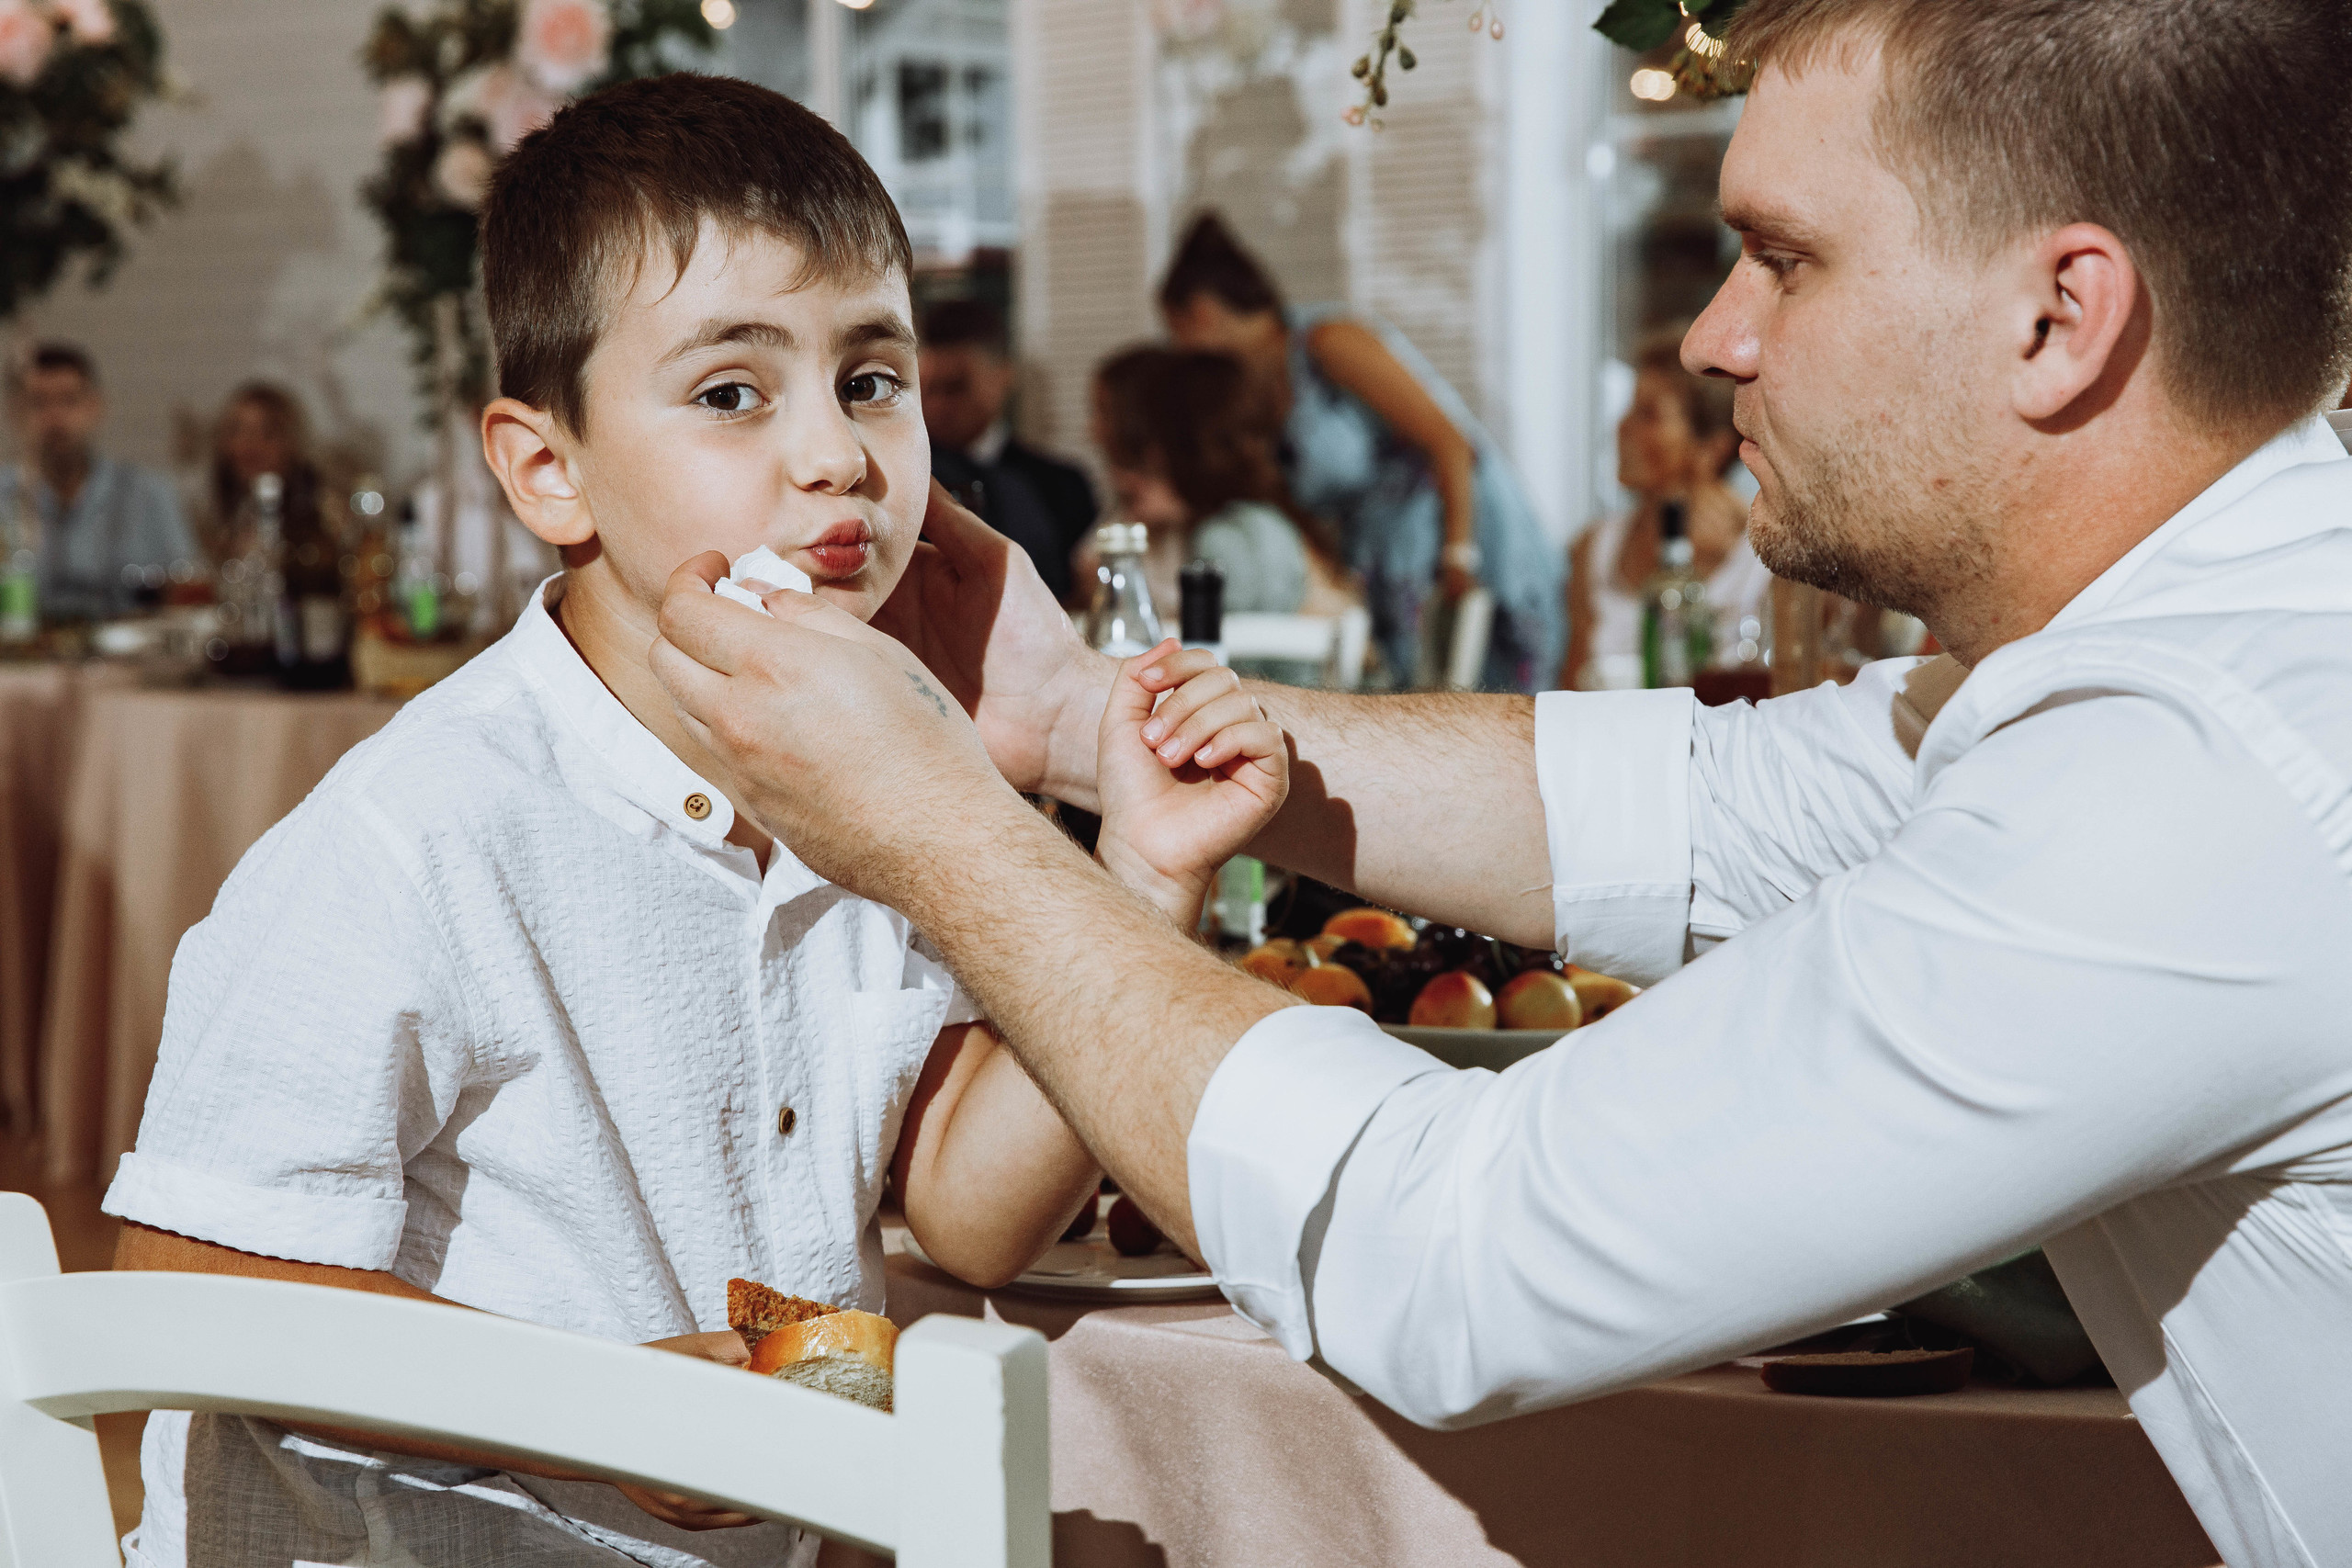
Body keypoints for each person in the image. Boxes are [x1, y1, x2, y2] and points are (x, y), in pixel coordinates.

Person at [644, 2, 2352, 1563]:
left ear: (2061, 319)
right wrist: (1079, 714)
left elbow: (1456, 1259)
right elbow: (1697, 802)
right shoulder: (2189, 645)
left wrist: (942, 828)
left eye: (1782, 260)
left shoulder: (2204, 775)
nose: (1711, 335)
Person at [95, 74, 1222, 1568]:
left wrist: (1146, 869)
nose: (835, 454)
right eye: (732, 392)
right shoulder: (422, 829)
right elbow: (183, 1285)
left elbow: (963, 1208)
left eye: (872, 379)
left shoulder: (886, 775)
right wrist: (613, 1406)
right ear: (548, 469)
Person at [1158, 212, 1561, 691]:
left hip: (1456, 536)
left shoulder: (1328, 341)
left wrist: (1459, 558)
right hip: (1384, 561)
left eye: (1175, 332)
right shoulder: (1257, 394)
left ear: (1201, 313)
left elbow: (1450, 443)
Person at [1085, 344, 1358, 682]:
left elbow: (1230, 659)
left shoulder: (1235, 537)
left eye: (1147, 454)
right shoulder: (1240, 524)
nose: (1128, 474)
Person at [1565, 324, 1772, 690]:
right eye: (1630, 409)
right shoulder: (1594, 549)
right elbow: (1566, 691)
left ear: (1711, 446)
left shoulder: (1764, 555)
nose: (1623, 427)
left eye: (1648, 415)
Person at [919, 297, 1097, 602]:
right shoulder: (906, 482)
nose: (938, 405)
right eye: (927, 389)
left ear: (1004, 375)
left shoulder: (1064, 484)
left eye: (956, 387)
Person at [0, 342, 193, 621]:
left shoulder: (149, 494)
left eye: (69, 401)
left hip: (132, 657)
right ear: (16, 414)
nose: (55, 418)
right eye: (39, 403)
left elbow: (188, 594)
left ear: (95, 406)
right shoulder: (6, 497)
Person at [199, 380, 329, 569]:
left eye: (267, 432)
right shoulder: (209, 522)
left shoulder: (323, 518)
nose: (250, 446)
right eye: (238, 431)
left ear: (291, 443)